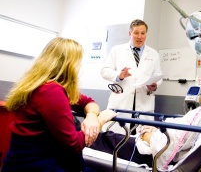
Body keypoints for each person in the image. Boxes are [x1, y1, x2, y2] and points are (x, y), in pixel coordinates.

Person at [90, 60, 201, 171]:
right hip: (162, 138)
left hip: (153, 153)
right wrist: (156, 130)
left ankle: (80, 135)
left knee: (110, 139)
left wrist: (147, 135)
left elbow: (169, 145)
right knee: (114, 136)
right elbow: (182, 132)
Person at [2, 37, 117, 172]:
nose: (80, 67)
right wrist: (101, 120)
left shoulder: (38, 85)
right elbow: (74, 144)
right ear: (69, 64)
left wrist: (92, 116)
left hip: (21, 163)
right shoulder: (51, 91)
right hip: (36, 166)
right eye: (78, 62)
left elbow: (88, 101)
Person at [100, 19, 163, 134]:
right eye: (136, 33)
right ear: (130, 34)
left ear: (146, 34)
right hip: (121, 102)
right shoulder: (117, 50)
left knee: (142, 141)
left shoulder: (153, 54)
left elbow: (158, 75)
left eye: (143, 33)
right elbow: (104, 71)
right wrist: (119, 75)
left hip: (144, 103)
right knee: (118, 138)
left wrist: (154, 85)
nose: (139, 37)